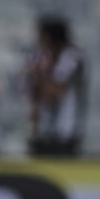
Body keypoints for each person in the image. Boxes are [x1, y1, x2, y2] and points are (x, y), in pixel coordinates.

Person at [27, 16, 86, 156]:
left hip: (66, 131)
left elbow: (56, 89)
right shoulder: (41, 57)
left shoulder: (73, 57)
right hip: (43, 131)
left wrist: (37, 76)